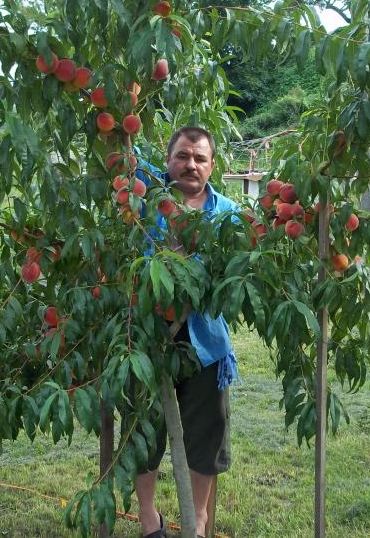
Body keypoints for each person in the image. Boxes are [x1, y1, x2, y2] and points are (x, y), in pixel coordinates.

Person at [135, 126, 240, 538]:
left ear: (212, 166)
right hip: (146, 338)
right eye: (182, 155)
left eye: (200, 158)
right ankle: (149, 521)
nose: (190, 164)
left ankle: (196, 521)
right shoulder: (144, 204)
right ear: (168, 160)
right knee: (143, 431)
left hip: (206, 343)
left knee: (205, 438)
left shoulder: (228, 213)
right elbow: (126, 147)